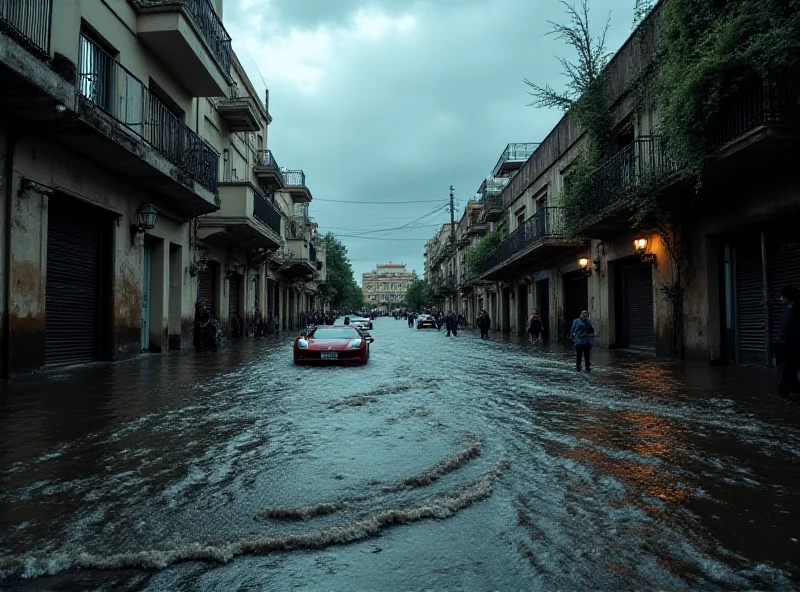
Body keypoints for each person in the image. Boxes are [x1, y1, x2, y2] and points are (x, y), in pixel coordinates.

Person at [775, 285, 800, 399]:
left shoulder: (795, 309)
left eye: (782, 296)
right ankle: (793, 390)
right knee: (789, 370)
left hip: (790, 346)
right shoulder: (787, 309)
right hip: (784, 345)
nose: (780, 298)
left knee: (786, 371)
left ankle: (783, 394)